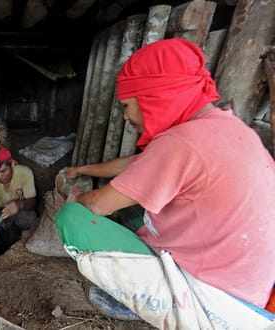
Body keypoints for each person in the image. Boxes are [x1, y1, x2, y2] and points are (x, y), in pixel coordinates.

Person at [55, 38, 275, 326]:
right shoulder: (224, 129)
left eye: (126, 105)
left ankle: (144, 301)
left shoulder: (180, 143)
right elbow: (136, 168)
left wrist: (75, 196)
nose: (125, 117)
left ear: (152, 96)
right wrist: (82, 168)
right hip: (247, 287)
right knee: (134, 206)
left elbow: (97, 205)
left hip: (210, 301)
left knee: (73, 219)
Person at [0, 146, 37, 257]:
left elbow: (32, 203)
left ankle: (18, 235)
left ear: (13, 164)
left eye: (3, 171)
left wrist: (19, 204)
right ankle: (2, 233)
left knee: (31, 218)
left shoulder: (25, 173)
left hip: (20, 208)